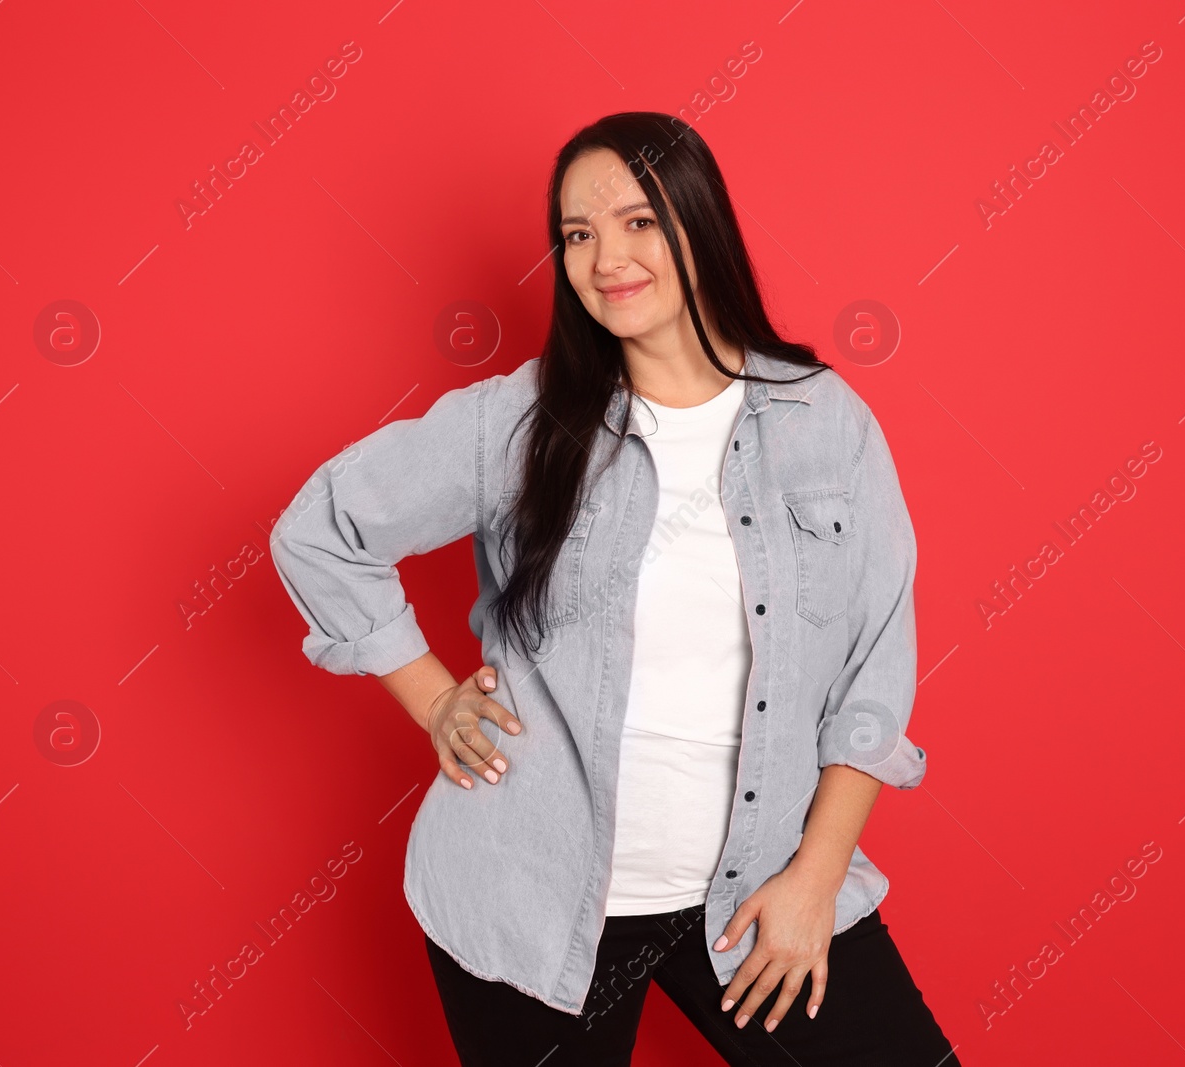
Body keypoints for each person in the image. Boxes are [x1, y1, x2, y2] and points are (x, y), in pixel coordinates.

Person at [269, 111, 960, 1066]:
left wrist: (816, 877)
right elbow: (320, 529)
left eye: (638, 223)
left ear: (698, 225)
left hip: (759, 889)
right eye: (578, 235)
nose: (606, 260)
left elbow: (872, 678)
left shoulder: (822, 422)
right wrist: (432, 698)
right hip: (531, 903)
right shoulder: (522, 421)